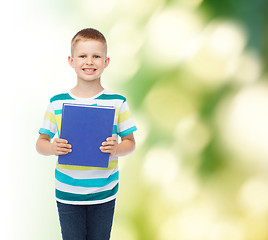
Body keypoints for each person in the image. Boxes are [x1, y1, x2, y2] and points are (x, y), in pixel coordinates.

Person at [36, 28, 137, 240]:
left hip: (104, 192)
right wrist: (52, 147)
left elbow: (130, 142)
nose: (89, 62)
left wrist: (117, 148)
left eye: (96, 56)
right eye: (82, 56)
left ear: (106, 61)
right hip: (67, 193)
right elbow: (41, 142)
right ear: (71, 61)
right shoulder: (58, 102)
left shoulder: (118, 102)